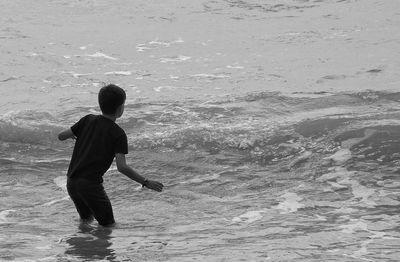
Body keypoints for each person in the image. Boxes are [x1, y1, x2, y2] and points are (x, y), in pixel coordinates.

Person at [58, 84, 163, 227]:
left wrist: (74, 135)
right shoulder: (118, 133)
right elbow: (122, 167)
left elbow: (61, 136)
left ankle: (82, 245)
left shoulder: (87, 119)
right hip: (90, 186)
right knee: (108, 225)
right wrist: (145, 181)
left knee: (86, 220)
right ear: (120, 109)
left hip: (71, 182)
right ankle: (96, 247)